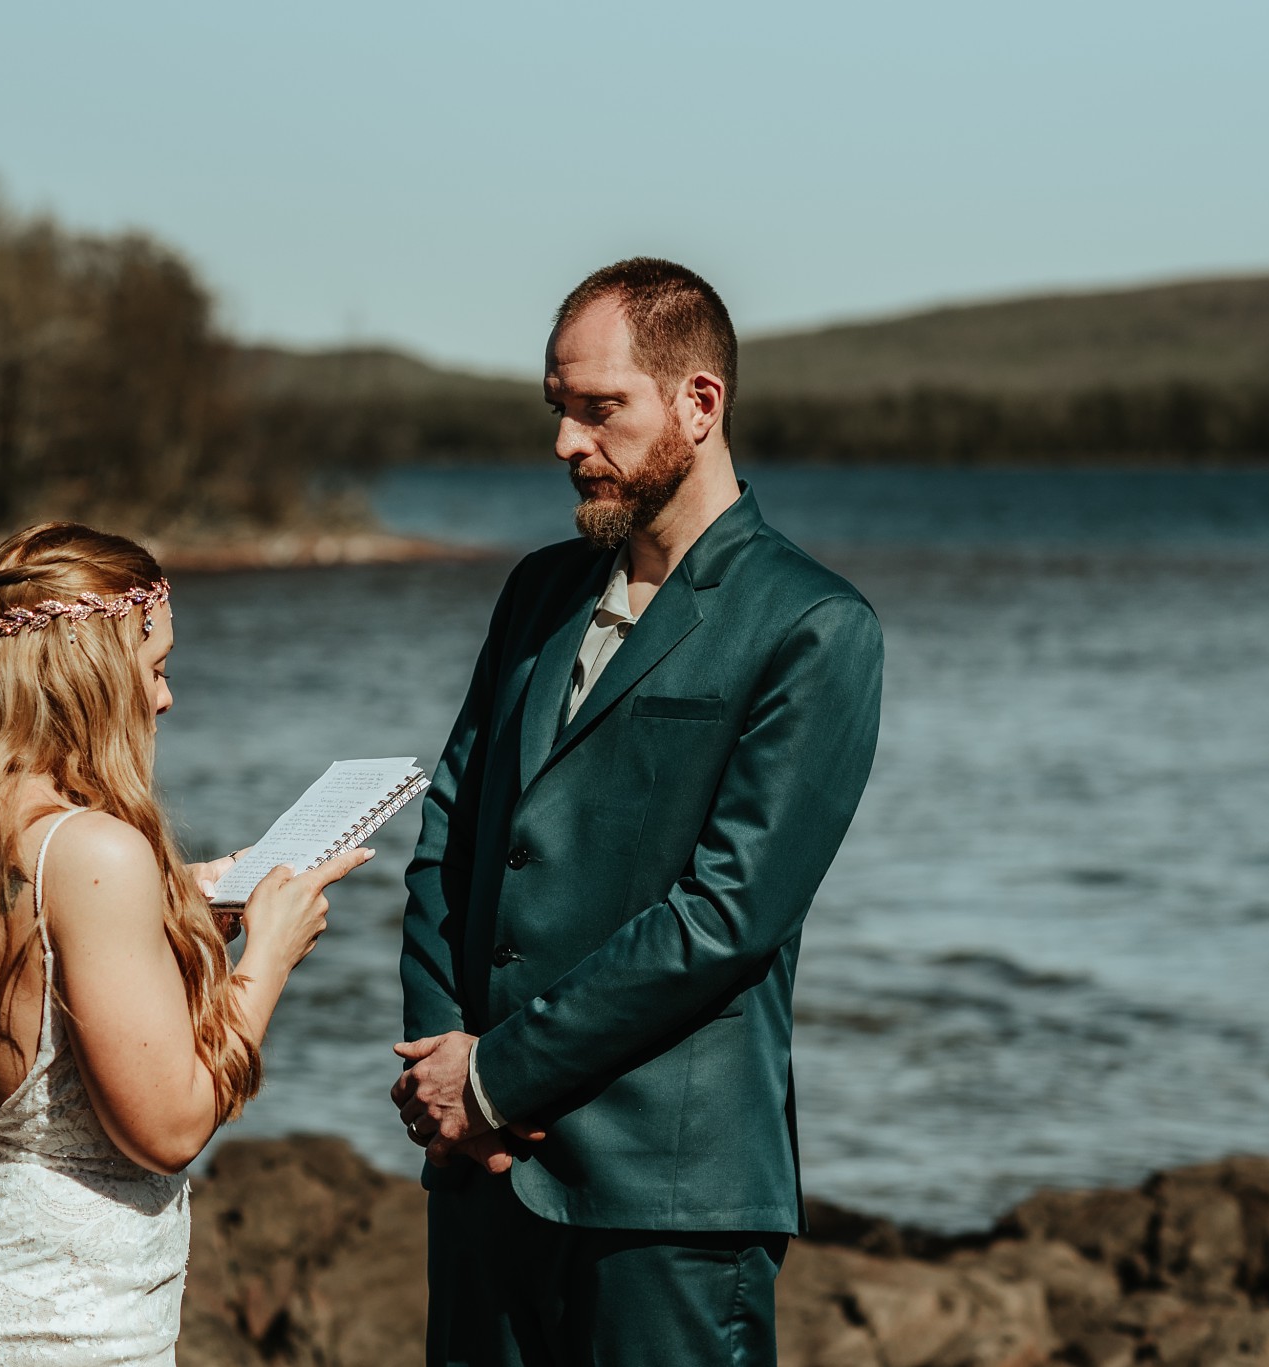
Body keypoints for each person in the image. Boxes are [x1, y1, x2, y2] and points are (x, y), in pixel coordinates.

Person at [392, 259, 884, 1365]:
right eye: (557, 409)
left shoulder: (812, 625)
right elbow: (449, 841)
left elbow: (725, 914)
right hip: (480, 1183)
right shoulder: (534, 591)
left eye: (598, 408)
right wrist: (442, 1080)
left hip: (668, 1202)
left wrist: (495, 1073)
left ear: (697, 404)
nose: (567, 442)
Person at [0, 522, 370, 1367]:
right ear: (88, 674)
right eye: (156, 667)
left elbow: (40, 962)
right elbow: (168, 1126)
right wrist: (267, 953)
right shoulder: (95, 852)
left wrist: (175, 903)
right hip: (43, 1324)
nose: (166, 698)